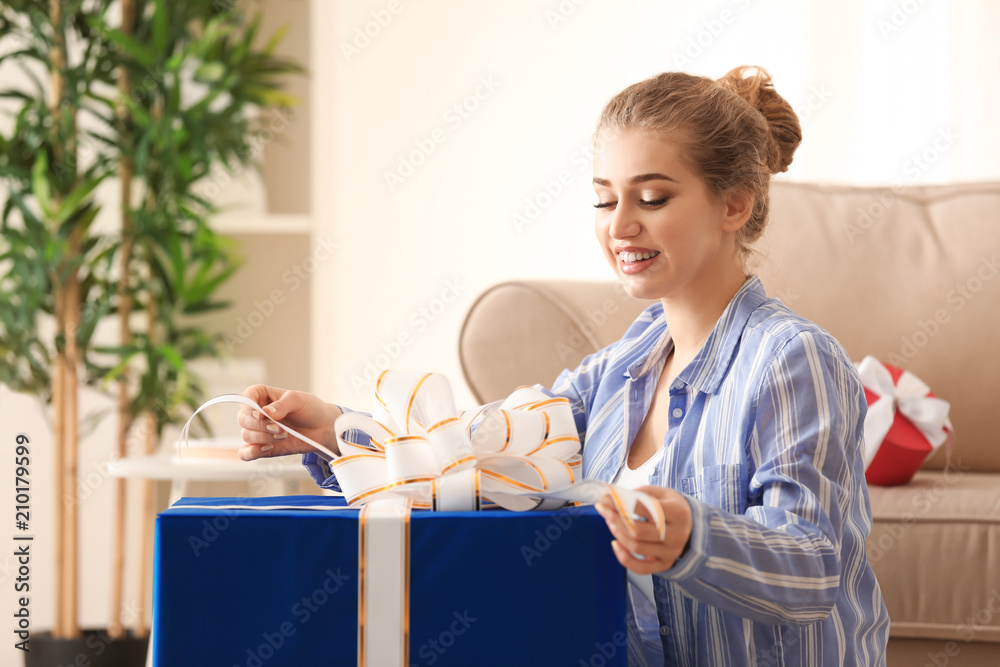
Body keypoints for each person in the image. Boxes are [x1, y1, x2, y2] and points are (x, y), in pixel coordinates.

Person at [236, 66, 890, 666]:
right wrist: (330, 428)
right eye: (606, 201)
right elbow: (477, 451)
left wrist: (695, 536)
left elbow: (813, 566)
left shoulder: (789, 359)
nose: (621, 226)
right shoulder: (621, 369)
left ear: (734, 205)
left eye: (653, 198)